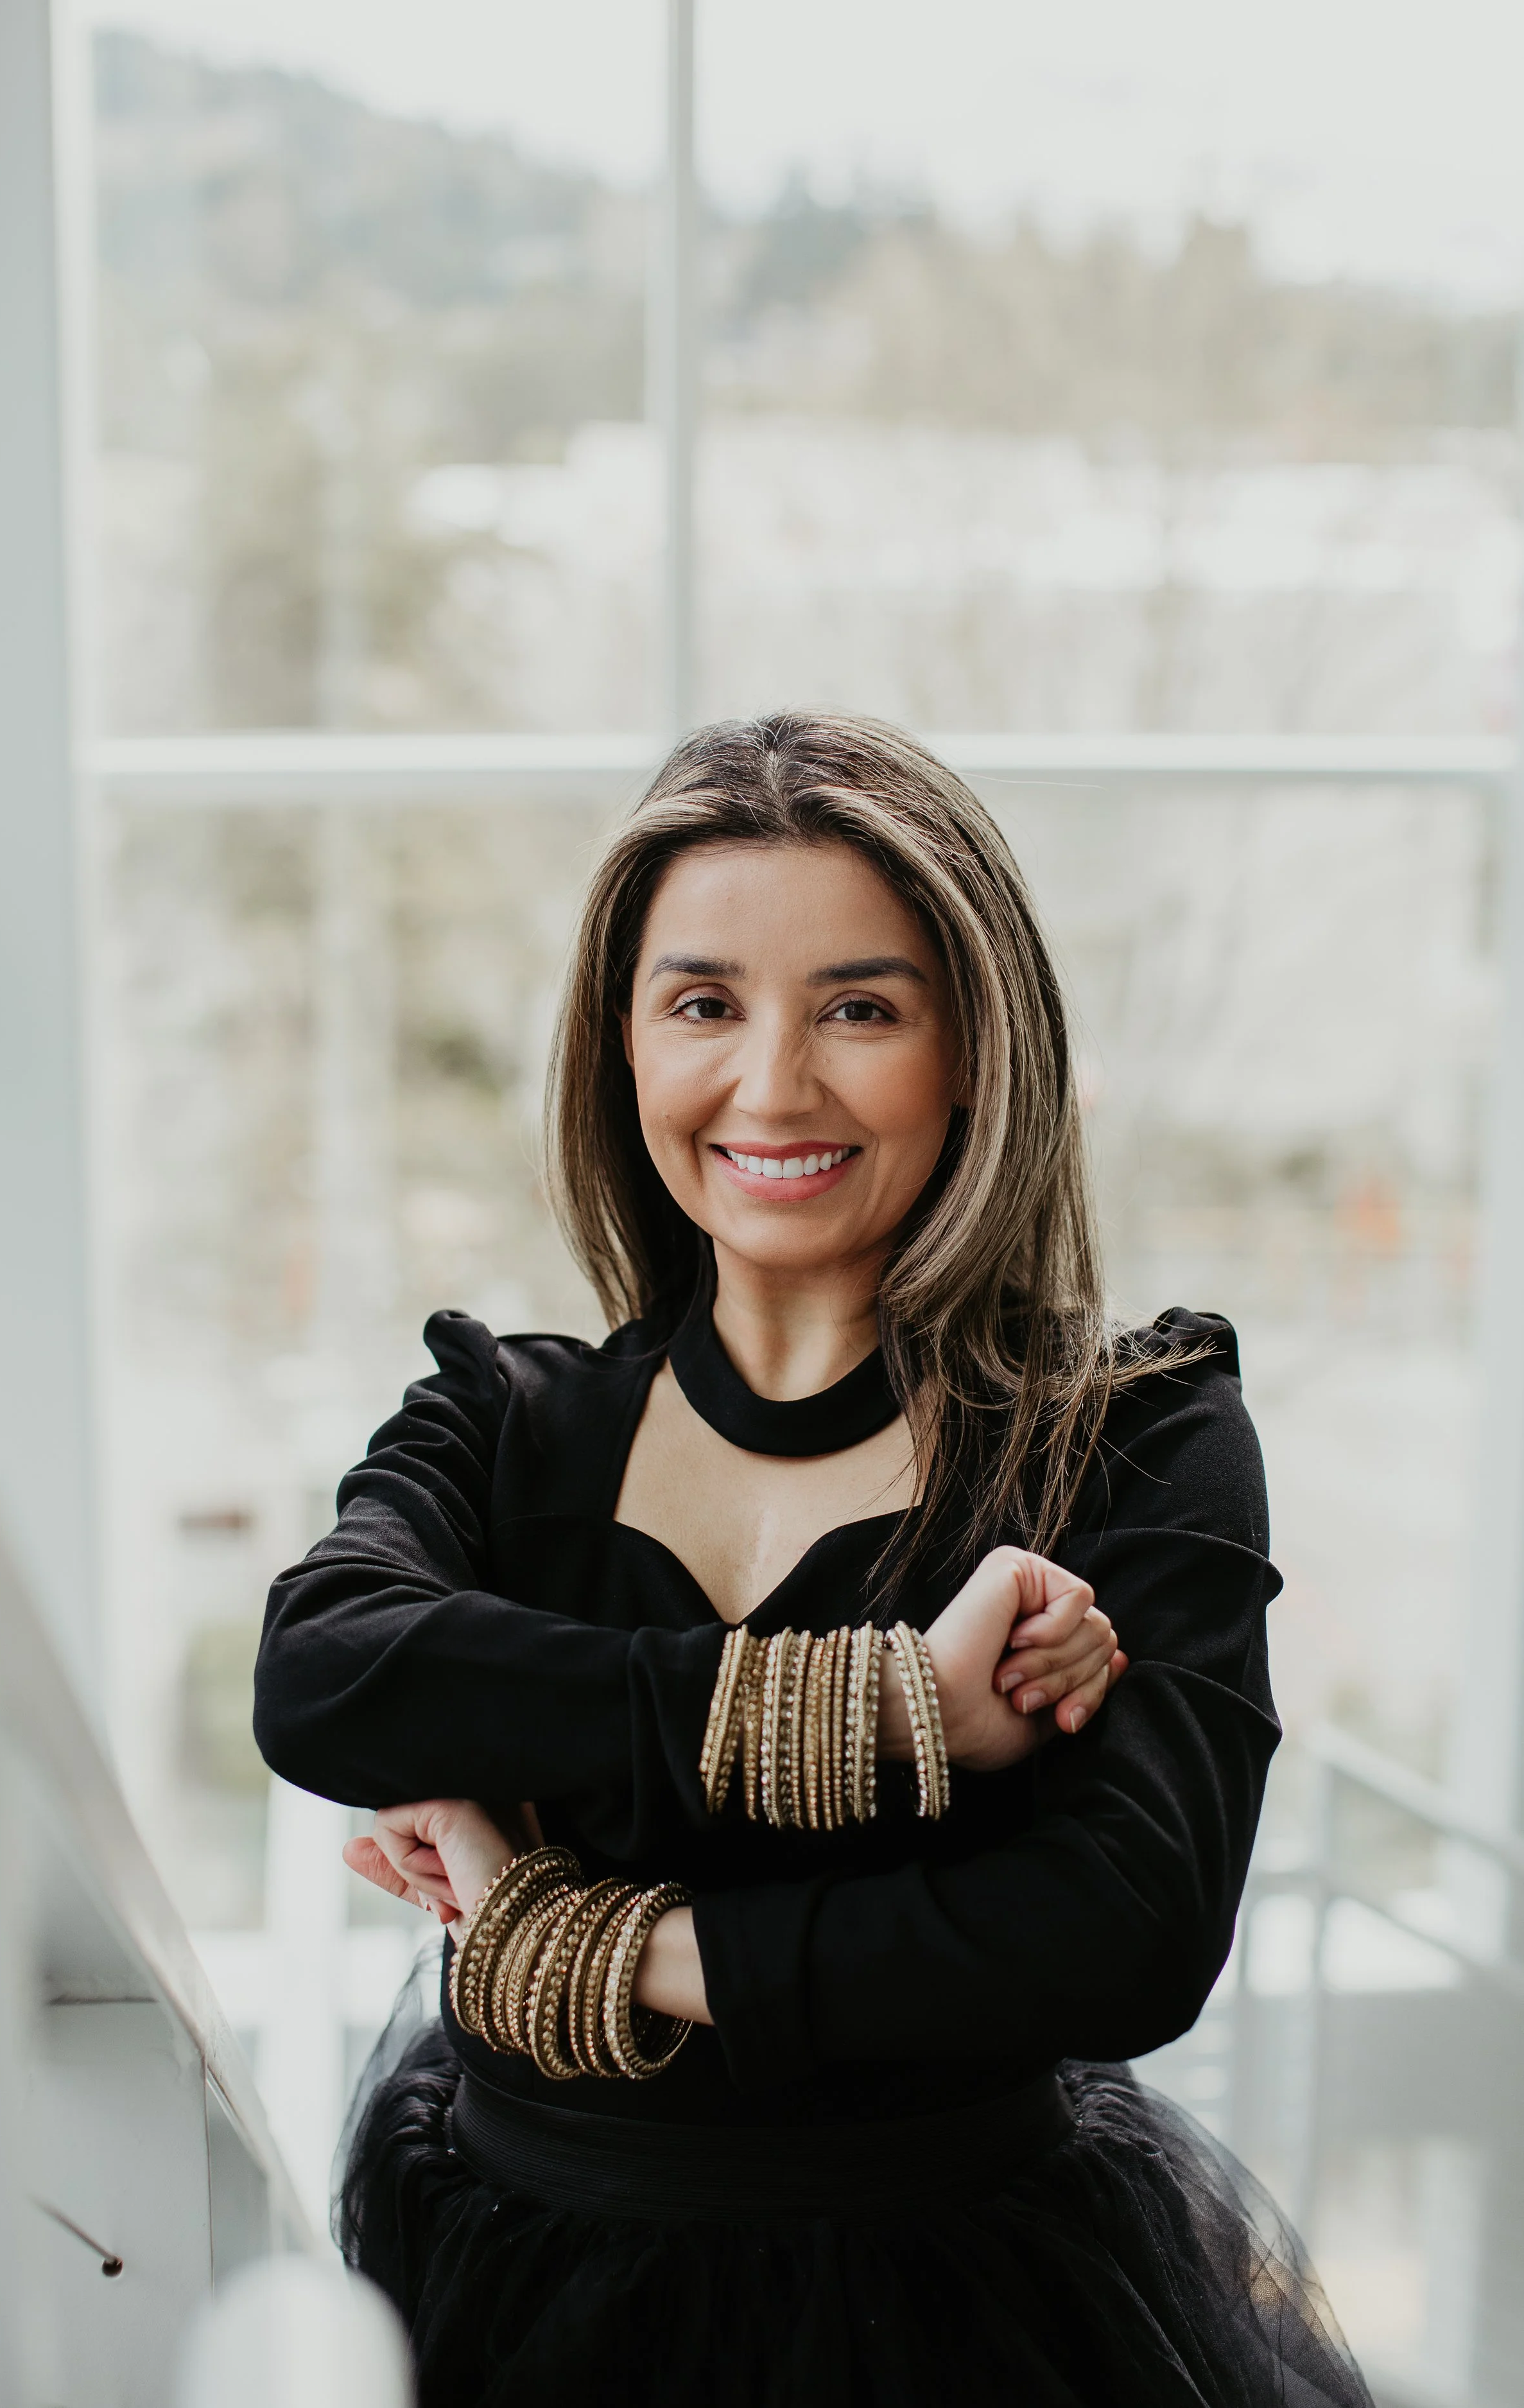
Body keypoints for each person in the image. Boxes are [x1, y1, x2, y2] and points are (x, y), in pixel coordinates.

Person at [254, 714, 1371, 2408]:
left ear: (973, 1049)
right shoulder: (498, 1411)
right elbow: (324, 1676)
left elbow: (1119, 1936)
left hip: (977, 2323)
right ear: (621, 1047)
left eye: (859, 1006)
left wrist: (572, 1938)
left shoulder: (1132, 1430)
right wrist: (889, 1701)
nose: (773, 1083)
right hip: (514, 2284)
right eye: (704, 1002)